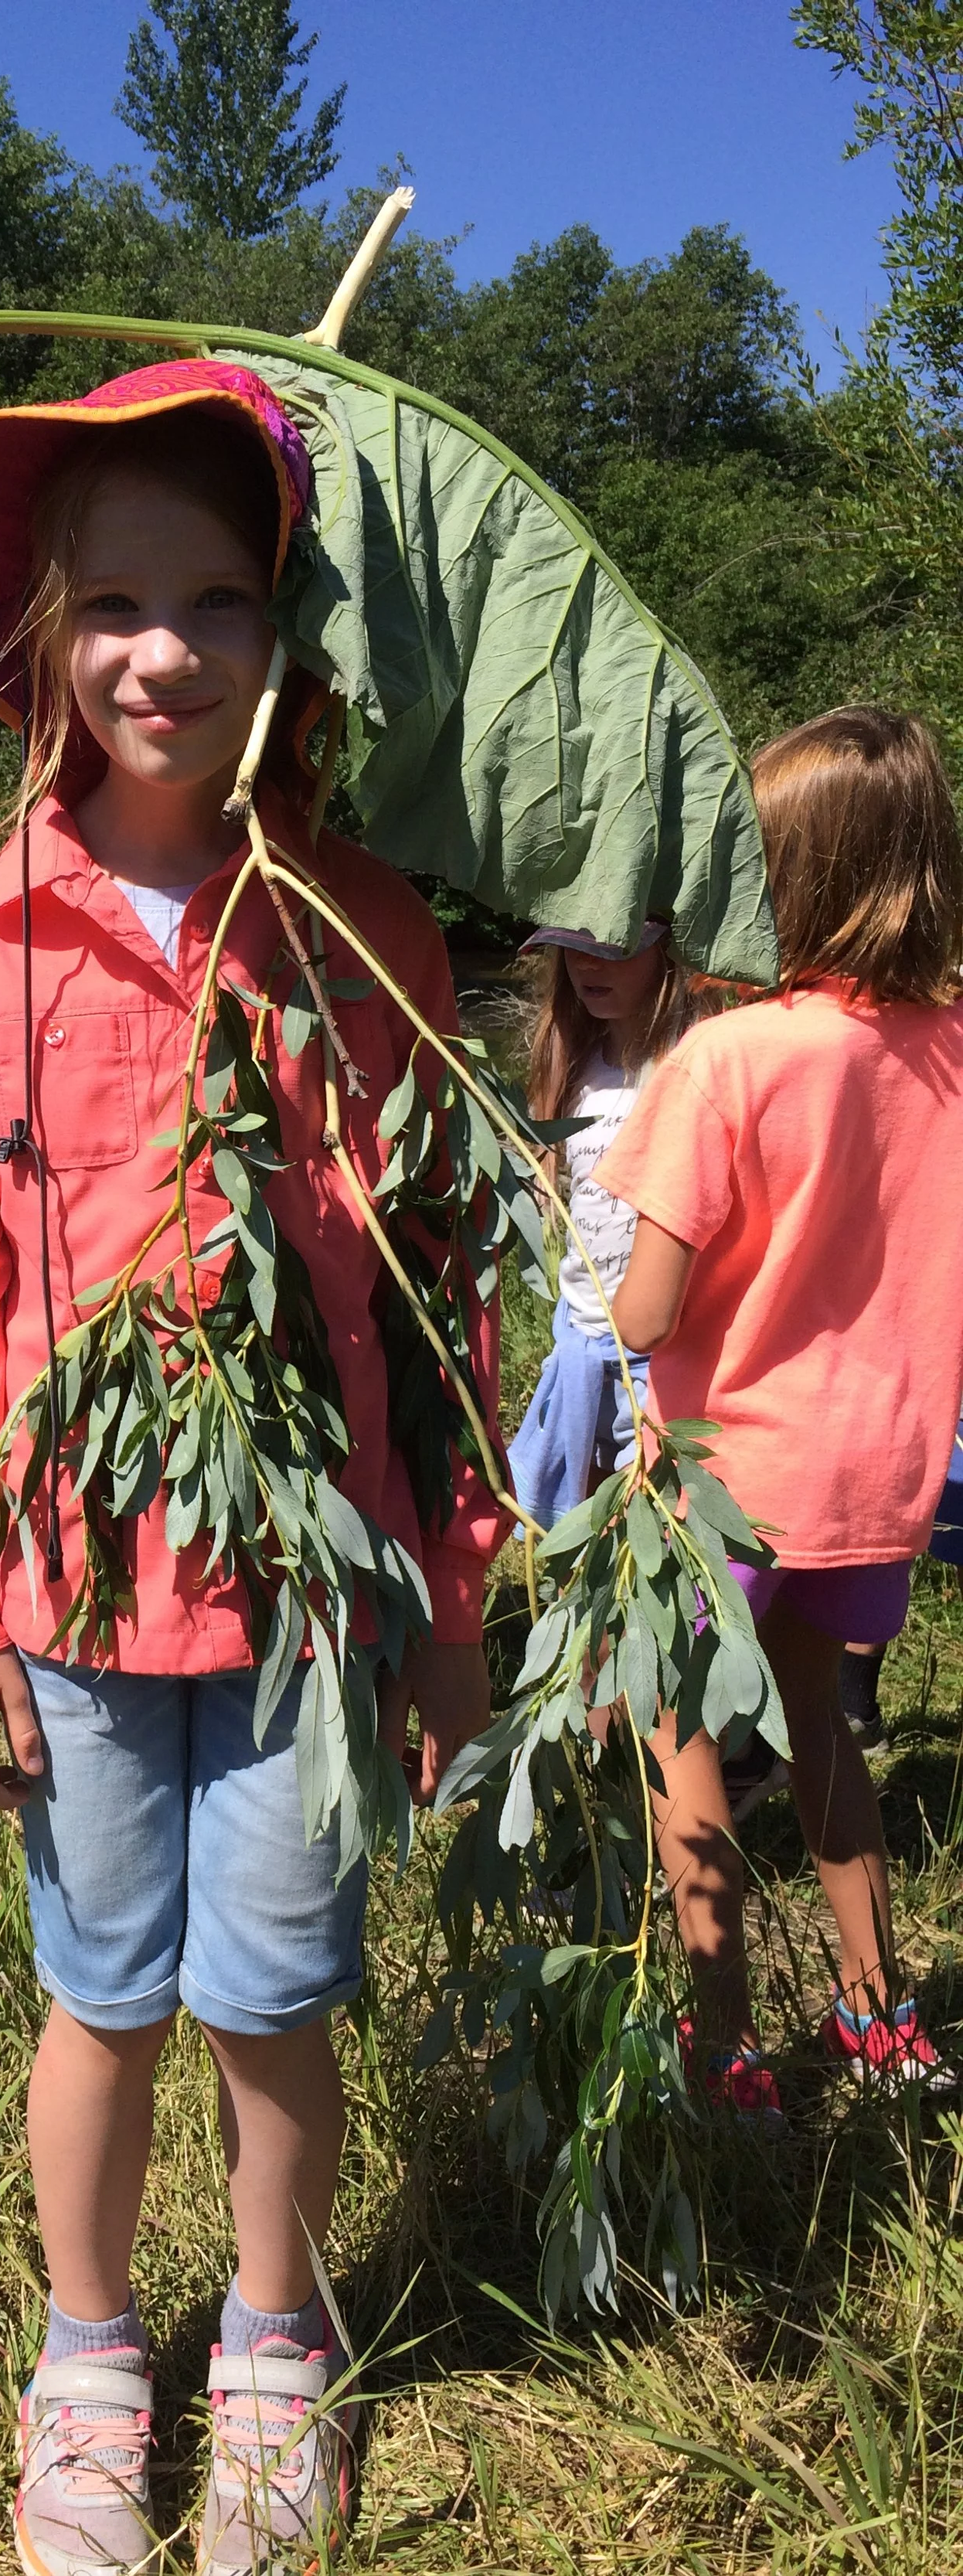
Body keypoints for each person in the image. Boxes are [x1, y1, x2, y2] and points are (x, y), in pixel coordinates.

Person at [0, 360, 505, 2574]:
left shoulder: (361, 938)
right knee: (103, 1991)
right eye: (116, 605)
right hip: (68, 1591)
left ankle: (273, 2340)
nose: (164, 653)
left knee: (274, 1993)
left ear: (281, 639)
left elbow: (440, 1304)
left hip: (315, 1605)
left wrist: (459, 1581)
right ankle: (84, 2352)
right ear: (46, 636)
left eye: (217, 601)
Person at [602, 705, 963, 2118]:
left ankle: (725, 2044)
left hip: (730, 1473)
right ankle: (883, 2023)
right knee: (821, 1727)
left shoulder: (728, 1058)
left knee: (684, 1736)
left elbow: (643, 1312)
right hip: (883, 1470)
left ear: (789, 872)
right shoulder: (949, 1053)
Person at [505, 921, 699, 1526]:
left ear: (666, 949)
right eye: (574, 951)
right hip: (583, 1331)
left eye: (613, 949)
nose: (589, 966)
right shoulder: (575, 1067)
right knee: (577, 1525)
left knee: (645, 1526)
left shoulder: (687, 1064)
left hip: (663, 1352)